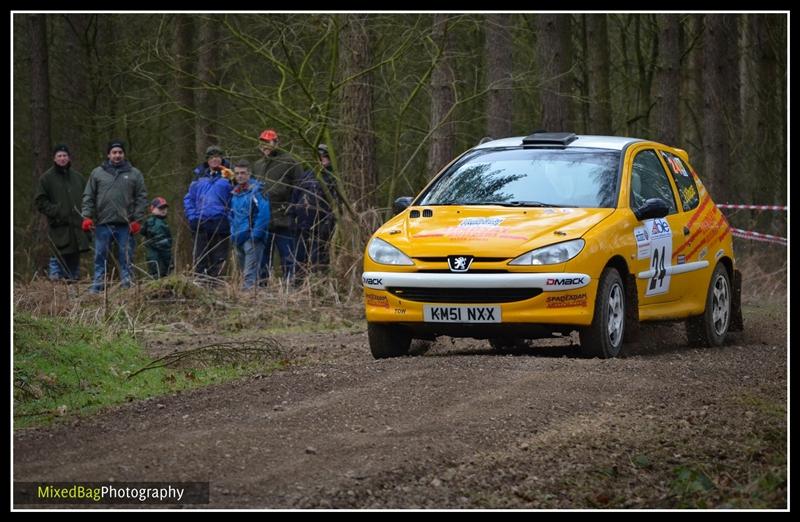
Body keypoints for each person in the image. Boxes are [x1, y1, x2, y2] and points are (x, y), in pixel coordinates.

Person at [82, 140, 148, 293]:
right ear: (108, 154)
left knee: (126, 257)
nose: (117, 155)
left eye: (120, 152)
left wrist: (137, 220)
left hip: (126, 225)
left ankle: (127, 285)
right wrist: (86, 216)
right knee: (100, 256)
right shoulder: (97, 173)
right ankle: (98, 285)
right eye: (114, 152)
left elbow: (142, 197)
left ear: (124, 154)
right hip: (102, 223)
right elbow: (88, 195)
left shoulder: (134, 174)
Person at [252, 129, 304, 283]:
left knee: (287, 255)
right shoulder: (257, 165)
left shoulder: (290, 162)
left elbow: (300, 189)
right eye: (262, 143)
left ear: (277, 142)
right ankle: (261, 288)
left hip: (284, 217)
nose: (265, 146)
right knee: (263, 256)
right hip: (264, 219)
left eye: (268, 142)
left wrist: (294, 211)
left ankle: (290, 286)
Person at [34, 144, 90, 282]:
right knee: (57, 256)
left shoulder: (78, 178)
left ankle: (71, 290)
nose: (62, 158)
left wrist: (87, 216)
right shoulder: (46, 179)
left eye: (65, 155)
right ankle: (54, 291)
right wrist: (57, 211)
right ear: (54, 158)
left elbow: (88, 198)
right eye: (59, 156)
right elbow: (40, 202)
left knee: (74, 257)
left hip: (77, 226)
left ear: (69, 157)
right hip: (59, 226)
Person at [183, 145, 234, 279]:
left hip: (221, 222)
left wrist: (229, 217)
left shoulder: (229, 176)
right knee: (200, 258)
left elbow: (235, 198)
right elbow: (189, 198)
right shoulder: (199, 176)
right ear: (207, 160)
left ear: (222, 159)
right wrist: (192, 216)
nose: (215, 160)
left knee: (219, 259)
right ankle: (201, 287)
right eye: (211, 157)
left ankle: (217, 288)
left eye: (217, 157)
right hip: (201, 221)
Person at [291, 143, 338, 277]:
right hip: (302, 225)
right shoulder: (306, 176)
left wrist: (328, 222)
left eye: (324, 157)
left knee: (318, 258)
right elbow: (295, 196)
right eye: (319, 156)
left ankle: (318, 284)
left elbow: (335, 204)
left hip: (321, 226)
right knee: (299, 257)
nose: (321, 159)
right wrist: (292, 216)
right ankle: (298, 285)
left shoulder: (332, 178)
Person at [229, 160, 270, 289]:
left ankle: (249, 301)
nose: (240, 176)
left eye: (243, 173)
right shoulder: (235, 193)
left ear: (249, 174)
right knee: (244, 273)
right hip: (238, 237)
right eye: (237, 173)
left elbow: (264, 214)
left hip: (251, 237)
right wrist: (233, 234)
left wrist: (255, 235)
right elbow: (233, 215)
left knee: (250, 275)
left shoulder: (257, 191)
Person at [141, 196, 173, 279]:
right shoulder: (149, 221)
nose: (163, 210)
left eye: (165, 208)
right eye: (160, 208)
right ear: (153, 209)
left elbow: (169, 237)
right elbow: (142, 231)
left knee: (167, 268)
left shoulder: (165, 224)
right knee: (154, 267)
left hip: (165, 250)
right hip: (153, 250)